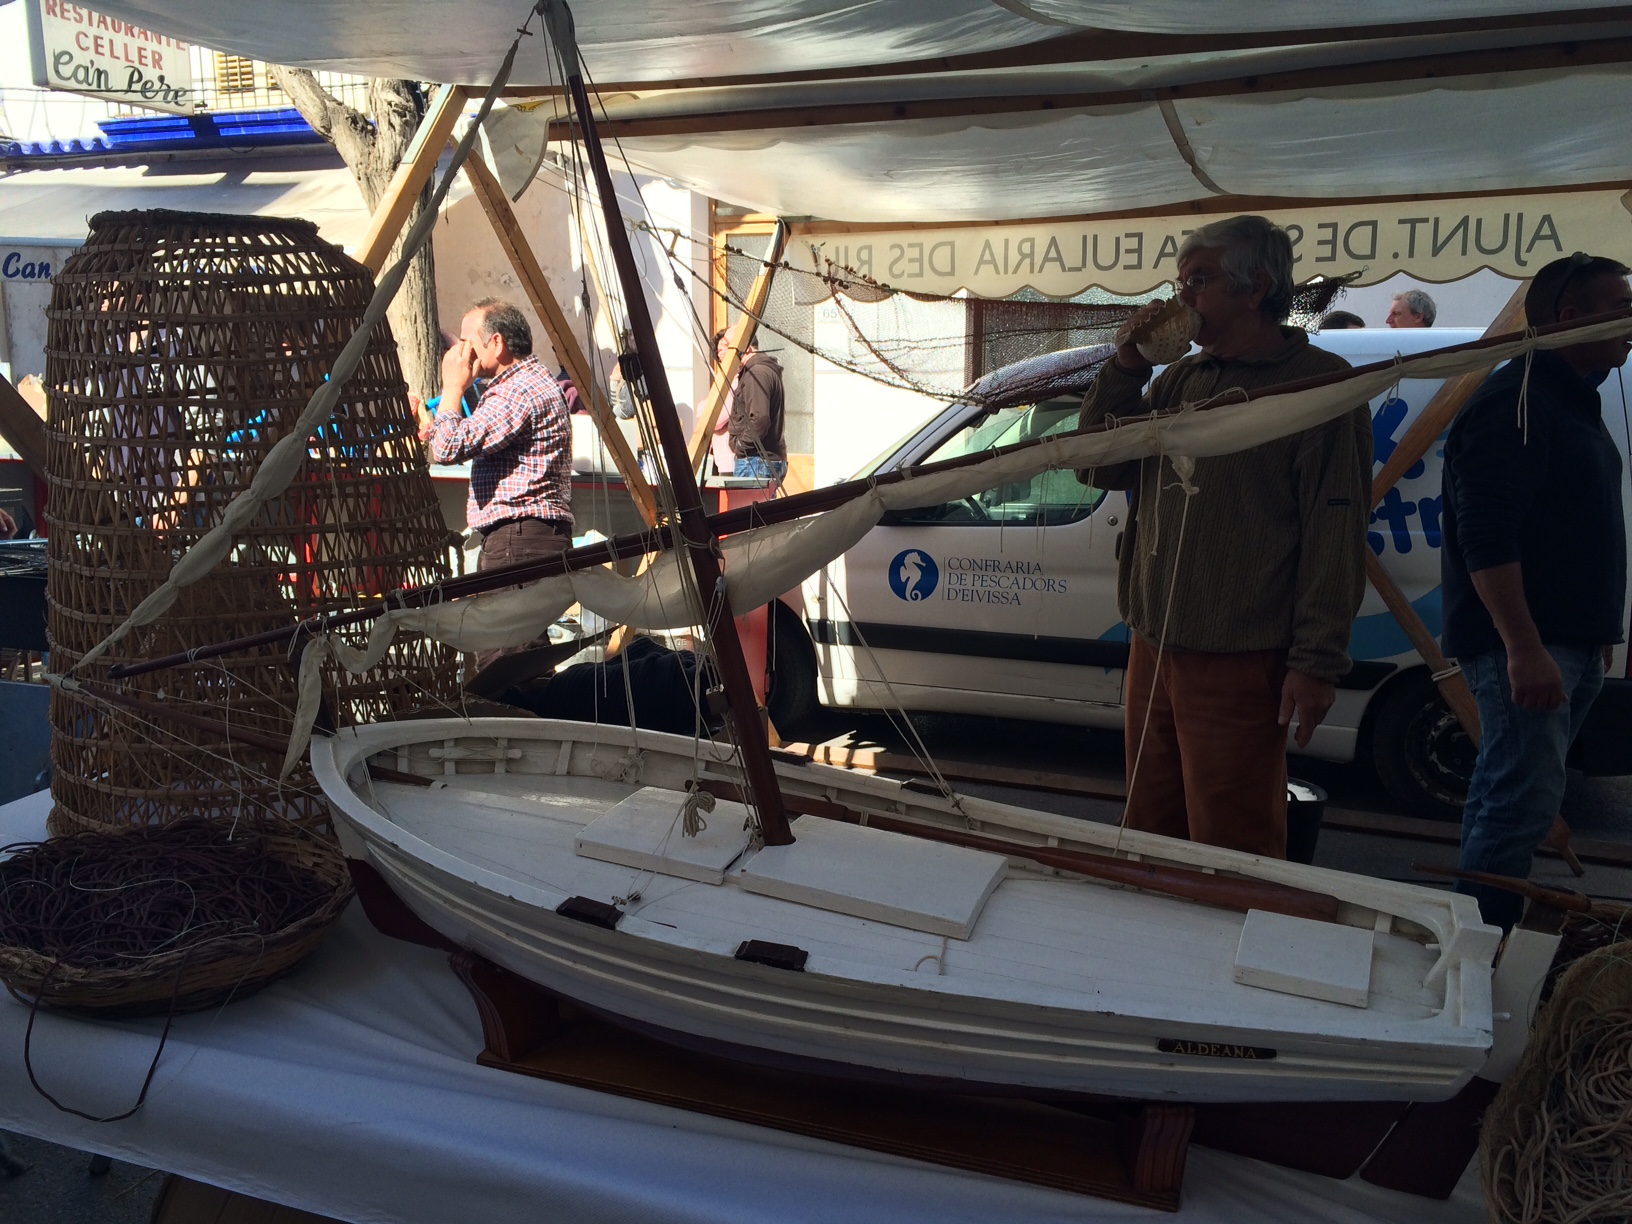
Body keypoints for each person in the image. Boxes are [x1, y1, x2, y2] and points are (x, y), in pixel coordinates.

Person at [1073, 215, 1373, 858]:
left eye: (1199, 281)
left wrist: (1316, 662)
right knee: (1149, 830)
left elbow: (1336, 531)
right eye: (1181, 282)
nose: (1182, 298)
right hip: (1153, 643)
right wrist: (1126, 366)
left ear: (1255, 288)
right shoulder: (1181, 379)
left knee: (1232, 843)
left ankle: (1235, 924)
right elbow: (1095, 465)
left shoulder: (1320, 384)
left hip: (1241, 656)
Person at [1441, 252, 1632, 930]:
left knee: (1515, 794)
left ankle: (1473, 928)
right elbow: (1487, 534)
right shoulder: (1515, 401)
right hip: (1527, 642)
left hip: (1566, 640)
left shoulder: (1568, 397)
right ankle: (1481, 943)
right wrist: (1523, 646)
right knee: (1518, 803)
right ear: (1569, 317)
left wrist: (1592, 632)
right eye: (1621, 309)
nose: (1631, 324)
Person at [426, 298, 574, 673]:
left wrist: (452, 387)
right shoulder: (527, 383)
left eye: (467, 342)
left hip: (518, 540)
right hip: (527, 537)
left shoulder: (518, 390)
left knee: (506, 662)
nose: (462, 353)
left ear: (496, 342)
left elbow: (447, 447)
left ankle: (527, 712)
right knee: (520, 657)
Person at [721, 332, 787, 487]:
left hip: (756, 462)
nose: (724, 355)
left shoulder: (756, 373)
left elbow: (759, 419)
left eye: (728, 347)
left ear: (747, 347)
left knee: (751, 504)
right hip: (761, 461)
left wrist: (741, 446)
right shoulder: (761, 370)